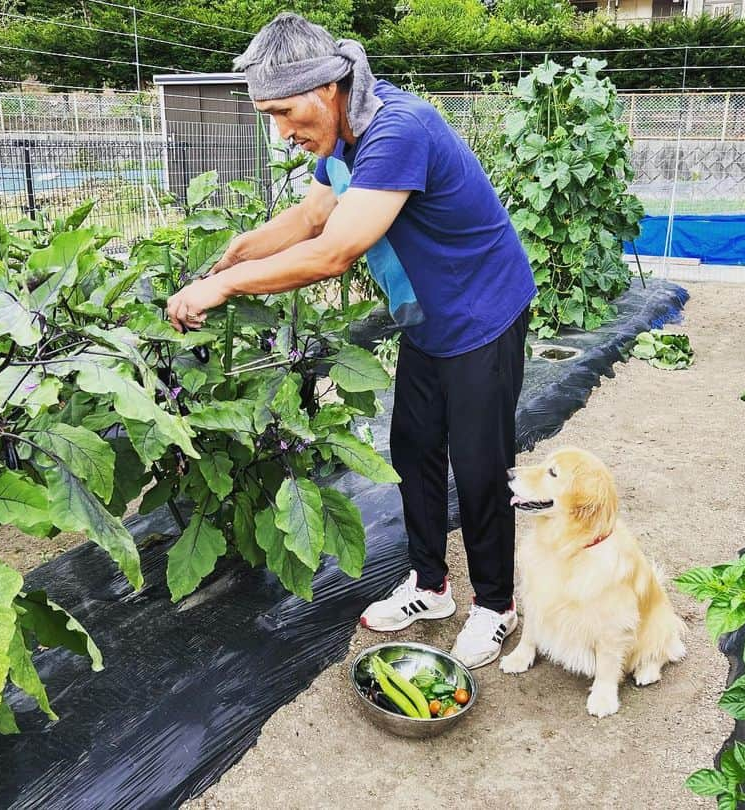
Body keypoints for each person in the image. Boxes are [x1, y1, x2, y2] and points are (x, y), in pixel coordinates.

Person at [166, 12, 536, 668]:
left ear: (327, 89)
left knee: (479, 464)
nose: (281, 131)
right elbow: (311, 216)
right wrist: (231, 257)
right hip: (427, 312)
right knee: (415, 446)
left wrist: (227, 289)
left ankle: (496, 605)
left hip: (483, 310)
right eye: (268, 116)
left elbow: (335, 251)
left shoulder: (397, 130)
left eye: (285, 112)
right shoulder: (341, 137)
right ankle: (430, 586)